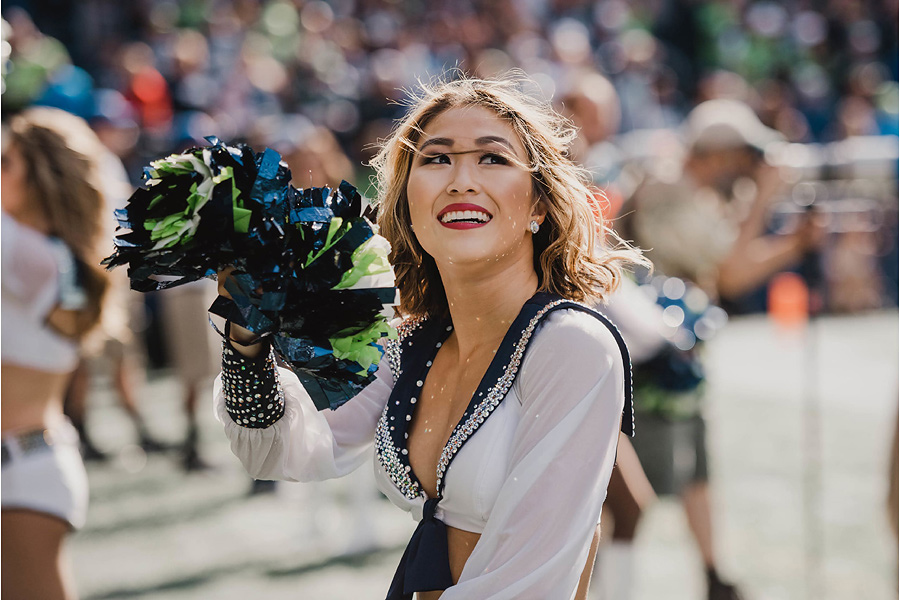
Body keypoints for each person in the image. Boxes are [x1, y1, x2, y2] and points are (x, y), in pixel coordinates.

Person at [215, 74, 643, 599]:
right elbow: (284, 448)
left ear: (537, 205)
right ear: (408, 204)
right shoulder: (410, 344)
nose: (461, 180)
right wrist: (246, 336)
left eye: (493, 158)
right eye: (436, 158)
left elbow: (529, 581)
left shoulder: (571, 345)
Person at [620, 98, 826, 600]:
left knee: (697, 470)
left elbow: (727, 266)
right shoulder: (668, 187)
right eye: (743, 156)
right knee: (627, 497)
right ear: (717, 153)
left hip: (677, 354)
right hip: (648, 360)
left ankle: (713, 577)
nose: (748, 169)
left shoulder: (693, 189)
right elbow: (731, 271)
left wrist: (794, 244)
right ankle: (611, 585)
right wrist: (766, 201)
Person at [1, 107, 110, 600]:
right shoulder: (50, 259)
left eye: (6, 163)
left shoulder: (29, 256)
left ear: (39, 179)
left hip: (22, 475)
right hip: (30, 465)